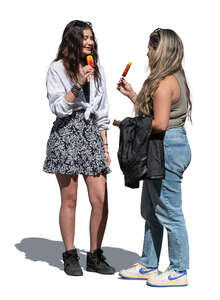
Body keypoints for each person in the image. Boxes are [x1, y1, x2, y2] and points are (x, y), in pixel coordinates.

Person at [117, 28, 192, 287]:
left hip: (167, 147)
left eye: (149, 47)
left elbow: (159, 123)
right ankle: (149, 263)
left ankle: (179, 269)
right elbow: (158, 114)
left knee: (170, 211)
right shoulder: (173, 78)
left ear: (159, 51)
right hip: (163, 146)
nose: (146, 52)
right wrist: (133, 96)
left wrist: (127, 125)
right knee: (150, 210)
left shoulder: (164, 83)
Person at [43, 20, 115, 276]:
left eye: (91, 37)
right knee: (70, 199)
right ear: (72, 40)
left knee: (100, 200)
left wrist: (105, 144)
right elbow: (57, 107)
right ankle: (70, 254)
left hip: (91, 133)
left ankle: (95, 255)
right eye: (85, 37)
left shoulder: (98, 69)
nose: (90, 42)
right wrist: (77, 84)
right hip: (66, 133)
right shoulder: (57, 69)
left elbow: (103, 111)